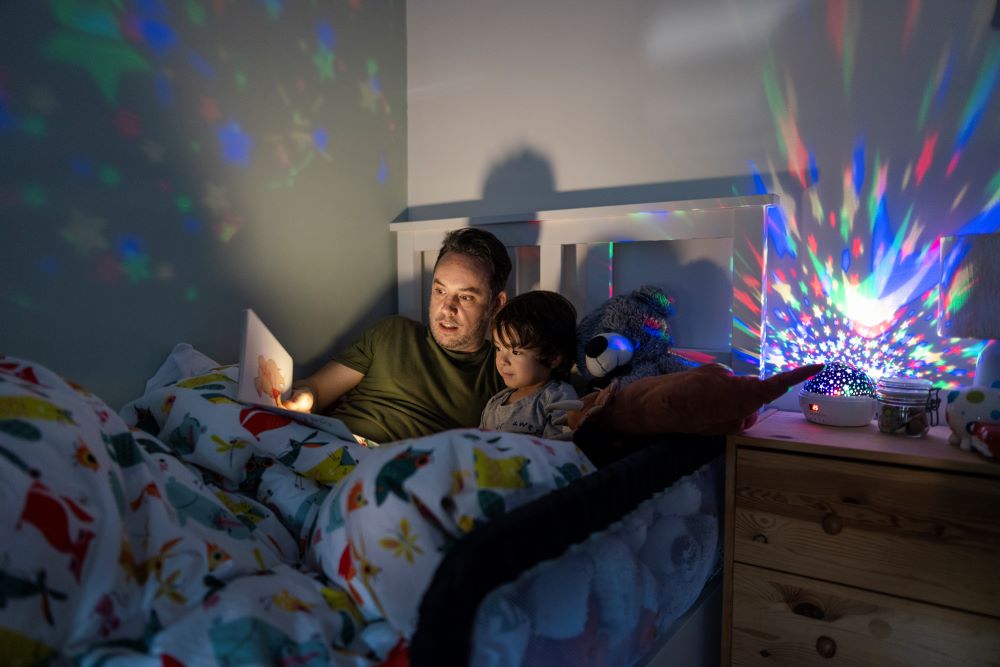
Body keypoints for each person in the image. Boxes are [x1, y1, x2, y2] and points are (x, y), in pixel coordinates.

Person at [282, 227, 511, 443]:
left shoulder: (503, 370)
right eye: (440, 291)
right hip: (333, 448)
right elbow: (317, 389)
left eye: (465, 297)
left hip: (405, 472)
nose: (446, 308)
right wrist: (306, 397)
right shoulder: (393, 332)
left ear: (495, 305)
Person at [479, 291, 578, 440]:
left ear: (553, 358)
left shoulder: (557, 397)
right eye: (499, 348)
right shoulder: (494, 404)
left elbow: (560, 451)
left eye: (516, 352)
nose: (502, 360)